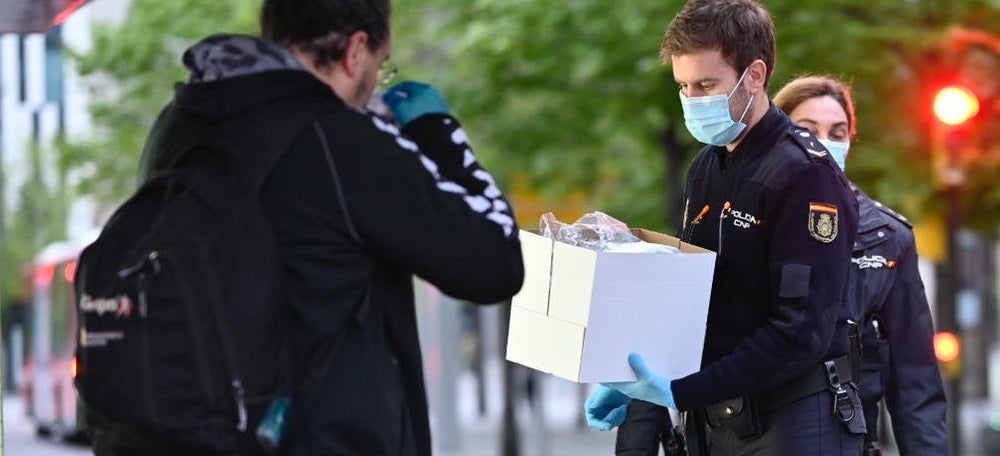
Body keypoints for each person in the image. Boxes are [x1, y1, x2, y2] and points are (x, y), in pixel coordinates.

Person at [134, 0, 524, 454]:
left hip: (195, 436)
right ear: (355, 51)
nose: (375, 80)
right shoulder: (340, 140)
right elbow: (495, 262)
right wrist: (438, 133)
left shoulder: (175, 129)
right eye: (381, 64)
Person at [585, 0, 865, 454]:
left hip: (792, 422)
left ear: (754, 75)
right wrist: (638, 378)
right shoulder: (706, 166)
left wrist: (682, 390)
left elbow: (799, 331)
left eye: (706, 85)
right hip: (719, 418)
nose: (693, 100)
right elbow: (697, 296)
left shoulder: (805, 174)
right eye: (684, 86)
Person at [774, 75, 948, 455]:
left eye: (837, 133)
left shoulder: (887, 237)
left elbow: (915, 380)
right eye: (808, 131)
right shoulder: (742, 217)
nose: (824, 142)